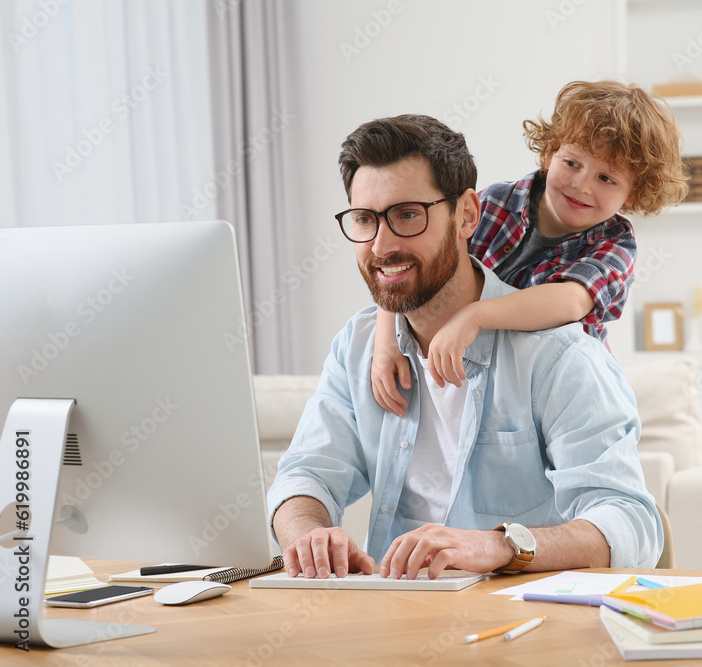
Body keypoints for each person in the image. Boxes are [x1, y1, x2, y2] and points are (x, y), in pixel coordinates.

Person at [268, 114, 662, 580]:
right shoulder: (358, 347)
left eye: (408, 215)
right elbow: (307, 472)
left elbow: (631, 524)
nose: (380, 245)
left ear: (468, 216)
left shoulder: (559, 356)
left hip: (524, 629)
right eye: (364, 219)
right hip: (395, 624)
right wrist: (307, 536)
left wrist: (499, 545)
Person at [371, 80, 688, 417]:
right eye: (572, 163)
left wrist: (474, 316)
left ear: (633, 194)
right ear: (550, 152)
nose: (581, 185)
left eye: (606, 179)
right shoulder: (492, 202)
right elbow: (412, 263)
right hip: (482, 372)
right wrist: (385, 340)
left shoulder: (615, 243)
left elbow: (569, 300)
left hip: (562, 392)